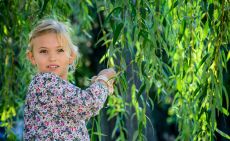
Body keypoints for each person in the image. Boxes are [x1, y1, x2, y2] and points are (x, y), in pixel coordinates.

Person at [24, 19, 116, 141]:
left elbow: (79, 112)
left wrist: (97, 88)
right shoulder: (44, 82)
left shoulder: (55, 87)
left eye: (60, 50)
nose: (52, 57)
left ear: (71, 56)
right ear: (32, 57)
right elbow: (88, 105)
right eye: (44, 51)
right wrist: (104, 78)